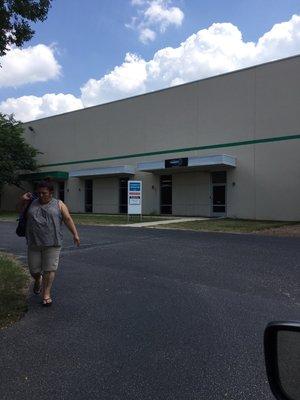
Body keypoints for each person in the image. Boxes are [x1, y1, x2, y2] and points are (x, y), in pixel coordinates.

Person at [20, 179, 80, 306]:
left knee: (49, 269)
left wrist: (75, 234)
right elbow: (21, 213)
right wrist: (23, 201)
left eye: (44, 193)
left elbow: (68, 219)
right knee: (34, 270)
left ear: (51, 192)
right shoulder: (32, 202)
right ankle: (38, 279)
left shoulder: (59, 204)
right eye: (39, 193)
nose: (41, 195)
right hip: (34, 242)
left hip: (53, 242)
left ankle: (46, 294)